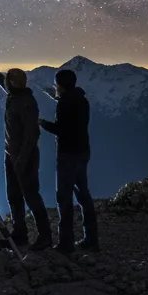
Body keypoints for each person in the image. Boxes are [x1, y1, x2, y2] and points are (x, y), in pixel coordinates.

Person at [0, 59, 52, 251]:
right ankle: (20, 233)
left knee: (31, 195)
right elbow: (2, 80)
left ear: (14, 83)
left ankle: (45, 236)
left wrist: (22, 160)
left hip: (24, 157)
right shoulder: (15, 95)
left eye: (9, 80)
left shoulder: (26, 102)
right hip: (12, 155)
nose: (6, 82)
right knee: (14, 196)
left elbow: (32, 134)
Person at [40, 68, 98, 252]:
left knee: (64, 198)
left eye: (57, 84)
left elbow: (61, 129)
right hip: (83, 152)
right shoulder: (82, 100)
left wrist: (41, 123)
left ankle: (66, 243)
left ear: (61, 85)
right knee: (84, 195)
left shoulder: (64, 104)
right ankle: (91, 239)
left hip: (67, 155)